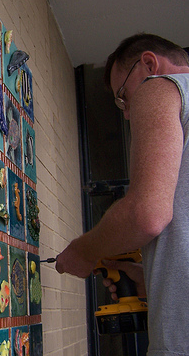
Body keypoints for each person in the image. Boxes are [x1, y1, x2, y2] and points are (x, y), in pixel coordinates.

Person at [55, 33, 189, 355]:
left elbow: (146, 215)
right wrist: (154, 281)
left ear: (148, 64)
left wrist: (84, 251)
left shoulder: (160, 86)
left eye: (123, 96)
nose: (126, 113)